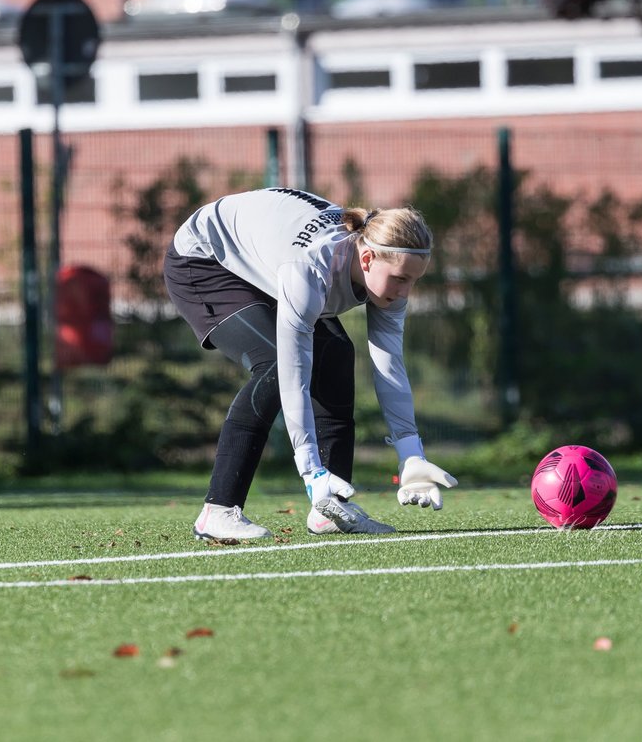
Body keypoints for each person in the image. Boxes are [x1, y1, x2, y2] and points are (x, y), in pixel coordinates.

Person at [163, 186, 458, 540]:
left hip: (265, 258)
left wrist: (410, 452)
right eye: (400, 279)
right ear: (367, 260)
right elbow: (293, 375)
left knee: (335, 355)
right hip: (206, 259)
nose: (406, 292)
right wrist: (311, 472)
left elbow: (389, 364)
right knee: (273, 363)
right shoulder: (309, 270)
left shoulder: (383, 271)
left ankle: (331, 510)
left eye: (414, 280)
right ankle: (219, 510)